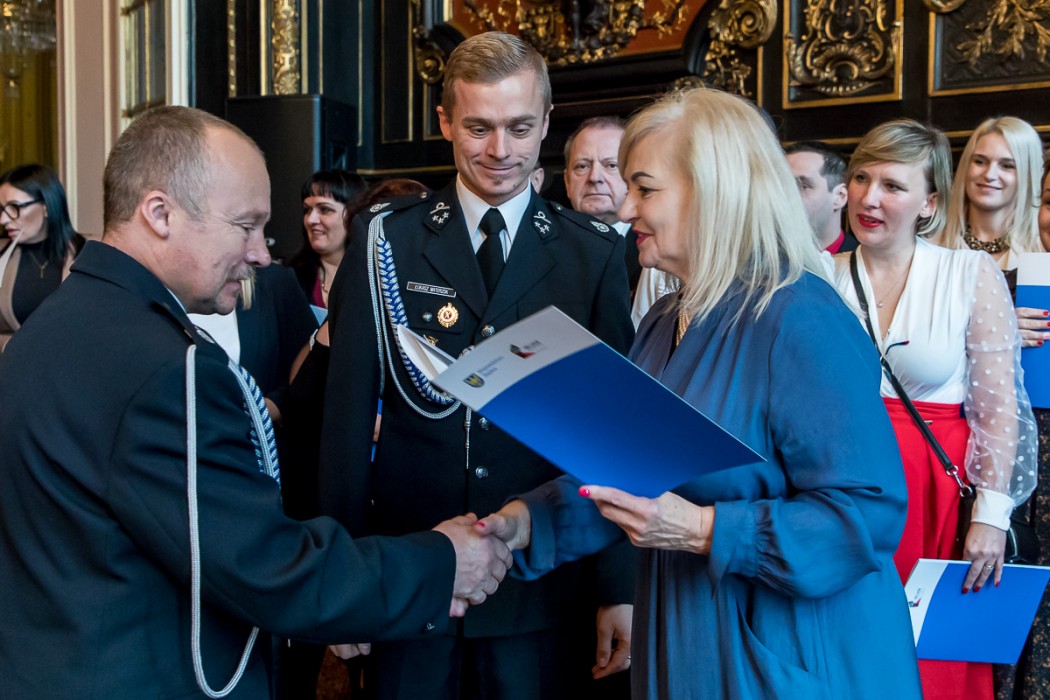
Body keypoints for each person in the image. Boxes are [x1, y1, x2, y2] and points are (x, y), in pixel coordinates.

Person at [0, 105, 512, 699]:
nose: (262, 254)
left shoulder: (55, 325)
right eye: (245, 226)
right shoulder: (167, 368)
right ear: (160, 214)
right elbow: (266, 569)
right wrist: (443, 562)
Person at [478, 86, 922, 699]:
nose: (626, 208)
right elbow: (629, 475)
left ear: (714, 192)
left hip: (786, 654)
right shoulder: (665, 320)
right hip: (687, 636)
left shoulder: (801, 318)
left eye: (645, 189)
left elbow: (867, 517)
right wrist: (521, 524)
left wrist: (705, 530)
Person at [320, 31, 635, 700]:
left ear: (546, 123)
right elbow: (344, 420)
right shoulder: (386, 238)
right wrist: (344, 584)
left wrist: (618, 588)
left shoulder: (595, 253)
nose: (500, 150)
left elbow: (613, 434)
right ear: (444, 122)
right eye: (478, 128)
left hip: (541, 588)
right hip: (412, 576)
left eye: (520, 128)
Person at [821, 118, 1038, 700]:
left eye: (892, 185)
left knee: (929, 667)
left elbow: (998, 409)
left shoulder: (968, 273)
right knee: (846, 659)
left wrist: (991, 516)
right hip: (839, 491)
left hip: (932, 492)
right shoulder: (818, 275)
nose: (869, 198)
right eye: (861, 178)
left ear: (929, 203)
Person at [0, 163, 84, 351]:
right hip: (12, 367)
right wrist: (9, 345)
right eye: (2, 209)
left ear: (46, 206)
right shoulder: (3, 256)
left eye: (14, 207)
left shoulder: (89, 253)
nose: (3, 220)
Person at [289, 169, 367, 310]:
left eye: (325, 209)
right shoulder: (290, 276)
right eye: (307, 210)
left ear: (353, 216)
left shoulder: (375, 279)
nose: (311, 219)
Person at [784, 141, 857, 253]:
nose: (784, 196)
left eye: (802, 186)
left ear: (840, 196)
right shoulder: (761, 258)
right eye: (780, 186)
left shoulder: (867, 261)